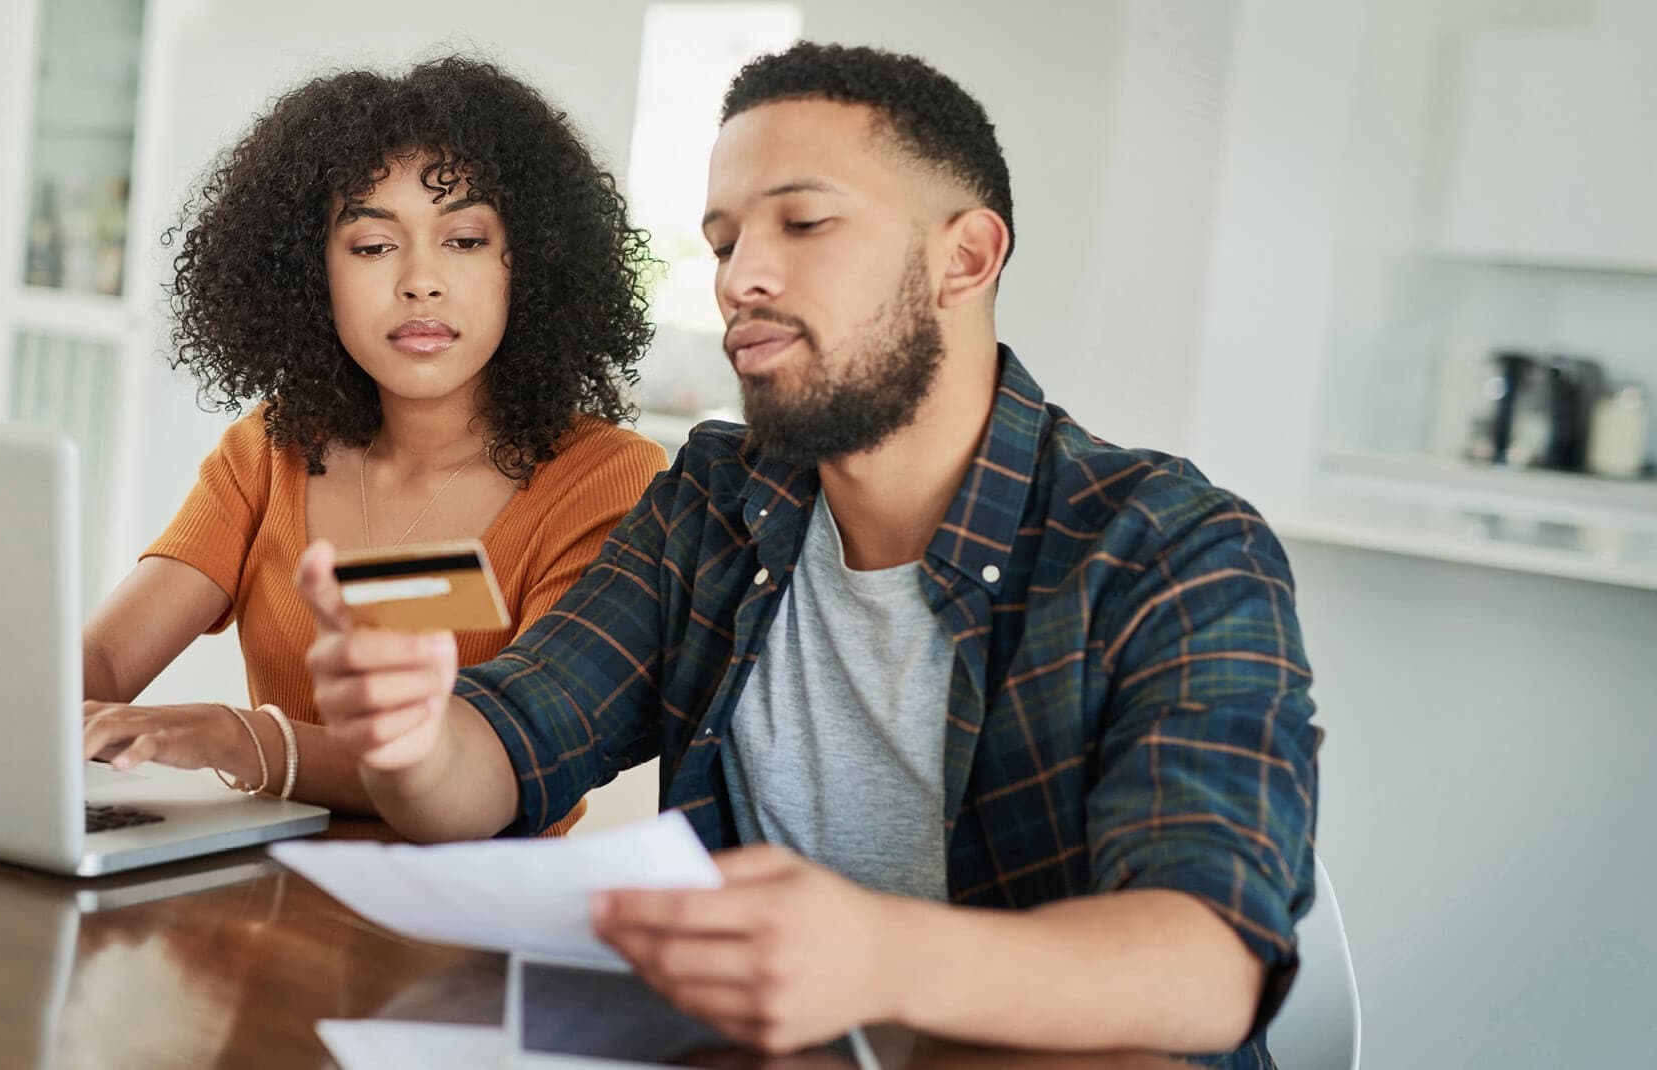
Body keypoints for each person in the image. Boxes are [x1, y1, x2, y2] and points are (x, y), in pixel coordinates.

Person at [293, 42, 1318, 1067]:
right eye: (724, 240)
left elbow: (1206, 963)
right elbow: (503, 756)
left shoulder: (1170, 546)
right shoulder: (715, 502)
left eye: (804, 222)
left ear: (963, 257)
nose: (743, 277)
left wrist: (877, 954)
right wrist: (416, 735)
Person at [78, 56, 668, 828]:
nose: (420, 281)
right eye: (371, 246)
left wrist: (243, 739)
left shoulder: (608, 477)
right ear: (306, 273)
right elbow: (111, 660)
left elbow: (505, 761)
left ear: (529, 265)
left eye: (463, 240)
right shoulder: (271, 448)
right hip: (257, 903)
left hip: (473, 920)